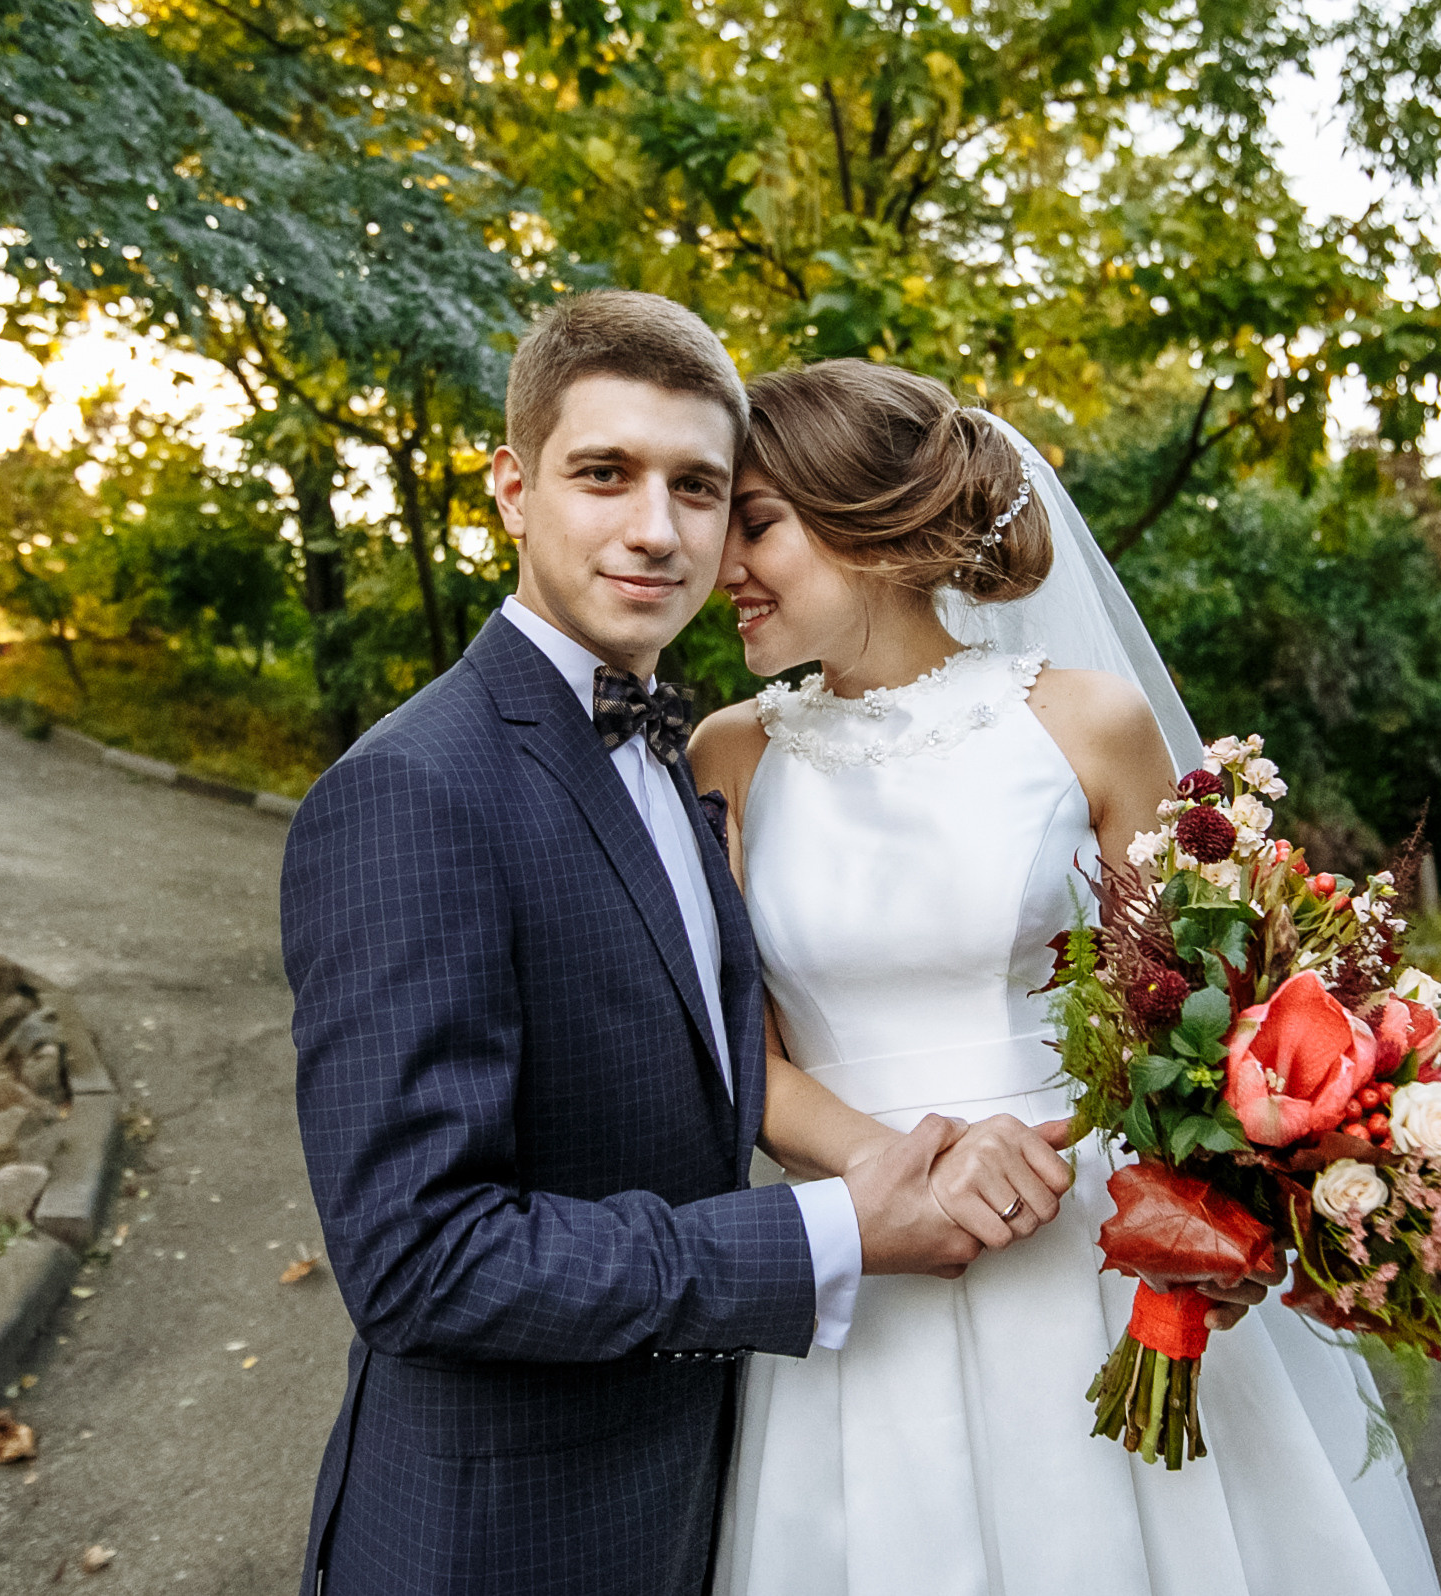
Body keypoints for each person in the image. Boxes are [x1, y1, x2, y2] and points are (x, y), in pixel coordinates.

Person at [279, 292, 1061, 1596]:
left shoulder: (686, 756)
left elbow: (714, 1071)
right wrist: (832, 1230)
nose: (657, 529)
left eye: (700, 488)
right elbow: (418, 1263)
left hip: (708, 1490)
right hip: (500, 1540)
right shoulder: (412, 790)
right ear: (512, 489)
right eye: (604, 474)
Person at [692, 359, 1441, 1596]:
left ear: (874, 522)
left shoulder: (1087, 722)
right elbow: (733, 1053)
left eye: (755, 519)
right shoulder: (729, 750)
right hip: (862, 1264)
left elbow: (1201, 1024)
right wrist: (898, 1170)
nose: (720, 559)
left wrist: (1234, 1213)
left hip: (1082, 1244)